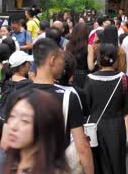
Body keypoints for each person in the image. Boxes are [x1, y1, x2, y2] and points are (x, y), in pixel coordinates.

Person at [25, 38, 94, 173]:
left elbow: (5, 142)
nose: (63, 64)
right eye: (61, 59)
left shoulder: (18, 94)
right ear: (52, 60)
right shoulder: (68, 97)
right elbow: (82, 147)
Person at [84, 43, 128, 174]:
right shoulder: (123, 78)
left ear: (99, 58)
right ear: (116, 59)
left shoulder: (90, 79)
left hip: (94, 125)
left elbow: (86, 105)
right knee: (116, 161)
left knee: (97, 161)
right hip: (116, 126)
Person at [2, 89, 70, 173]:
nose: (13, 126)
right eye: (12, 116)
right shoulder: (14, 164)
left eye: (24, 120)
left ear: (44, 127)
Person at [0, 51, 34, 173]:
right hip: (18, 132)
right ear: (22, 66)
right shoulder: (29, 85)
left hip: (3, 130)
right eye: (28, 63)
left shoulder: (6, 82)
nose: (30, 64)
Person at [65, 22, 91, 89]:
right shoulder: (88, 47)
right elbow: (91, 67)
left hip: (70, 75)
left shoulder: (67, 46)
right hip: (84, 76)